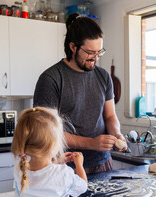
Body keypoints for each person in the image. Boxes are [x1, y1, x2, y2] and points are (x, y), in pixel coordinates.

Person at [33, 13, 126, 174]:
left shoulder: (103, 76)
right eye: (90, 52)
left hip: (102, 163)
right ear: (73, 47)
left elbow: (110, 116)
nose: (95, 58)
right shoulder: (50, 79)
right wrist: (92, 143)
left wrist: (116, 134)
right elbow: (48, 132)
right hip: (65, 165)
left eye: (99, 52)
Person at [11, 107, 88, 197]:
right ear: (53, 145)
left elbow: (42, 174)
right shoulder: (63, 173)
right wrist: (79, 165)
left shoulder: (20, 168)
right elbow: (83, 186)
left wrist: (56, 161)